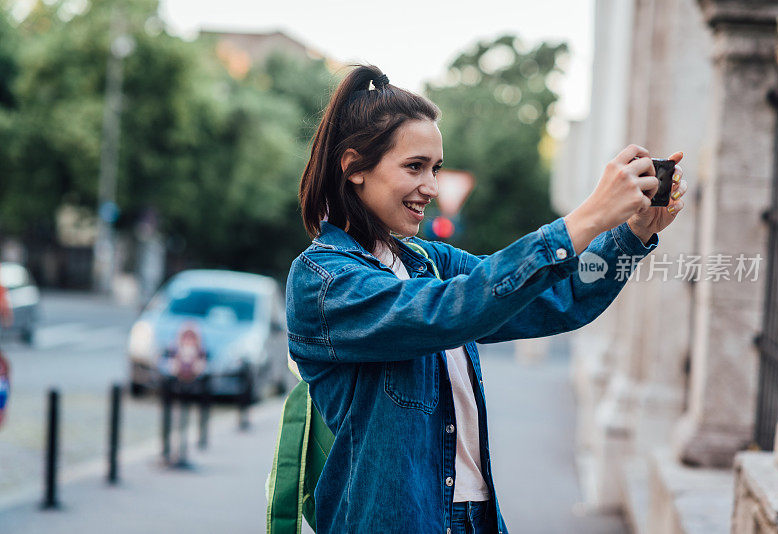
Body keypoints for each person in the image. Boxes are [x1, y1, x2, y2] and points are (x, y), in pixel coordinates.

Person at [285, 64, 687, 534]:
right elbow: (447, 311)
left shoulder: (428, 261)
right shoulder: (323, 281)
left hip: (474, 519)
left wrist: (632, 236)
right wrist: (589, 216)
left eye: (434, 169)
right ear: (353, 167)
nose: (431, 188)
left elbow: (558, 296)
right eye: (414, 167)